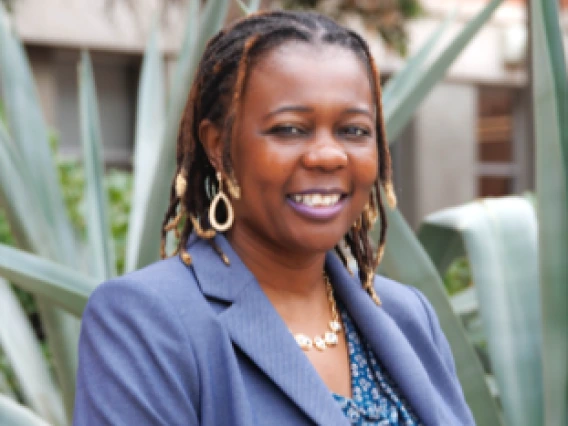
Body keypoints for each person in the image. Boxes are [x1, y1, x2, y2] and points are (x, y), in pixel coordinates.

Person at [73, 10, 475, 426]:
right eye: (289, 129)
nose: (328, 155)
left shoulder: (406, 316)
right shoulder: (146, 320)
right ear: (218, 147)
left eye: (353, 131)